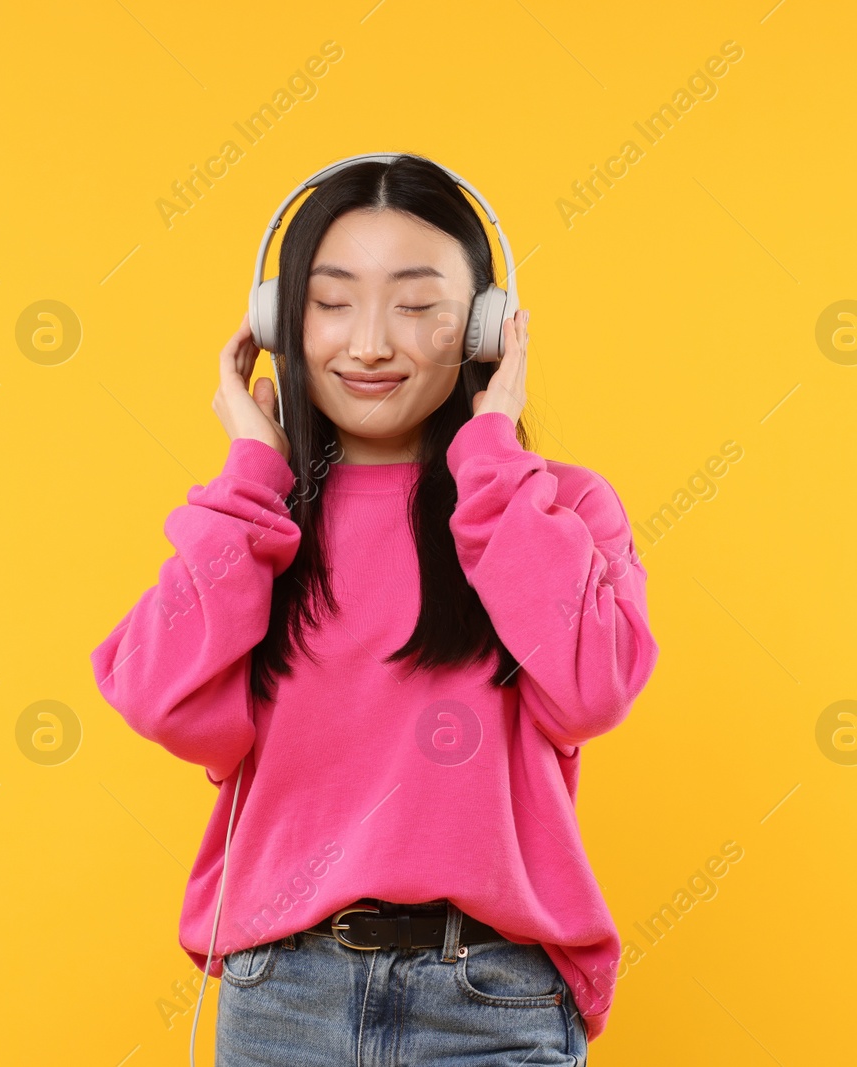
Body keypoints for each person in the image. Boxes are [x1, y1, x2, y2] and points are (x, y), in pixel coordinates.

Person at [89, 154, 658, 1065]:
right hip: (284, 1002)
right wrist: (251, 474)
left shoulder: (557, 509)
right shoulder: (257, 520)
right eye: (332, 300)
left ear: (483, 331)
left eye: (418, 303)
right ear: (281, 323)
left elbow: (592, 690)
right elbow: (162, 700)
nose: (369, 343)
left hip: (492, 999)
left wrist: (494, 461)